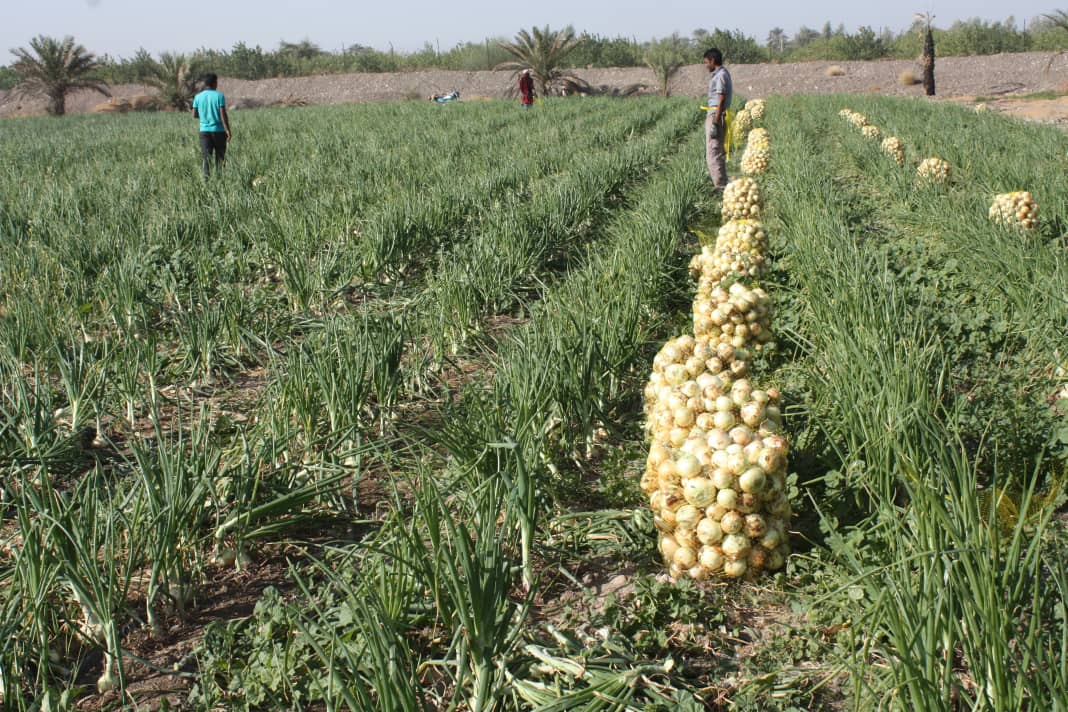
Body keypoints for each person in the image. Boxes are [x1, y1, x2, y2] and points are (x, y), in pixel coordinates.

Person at [191, 73, 231, 179]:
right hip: (219, 131)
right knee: (220, 159)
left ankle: (207, 183)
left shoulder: (198, 97)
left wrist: (205, 116)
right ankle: (220, 181)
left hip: (204, 132)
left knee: (206, 160)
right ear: (214, 83)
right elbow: (223, 114)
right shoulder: (219, 96)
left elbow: (194, 114)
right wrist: (228, 130)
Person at [703, 48, 732, 192]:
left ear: (713, 61)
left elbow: (721, 99)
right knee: (717, 150)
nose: (706, 65)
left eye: (706, 62)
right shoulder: (722, 74)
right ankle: (722, 182)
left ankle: (720, 186)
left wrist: (715, 122)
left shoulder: (720, 75)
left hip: (716, 115)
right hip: (717, 114)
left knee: (713, 151)